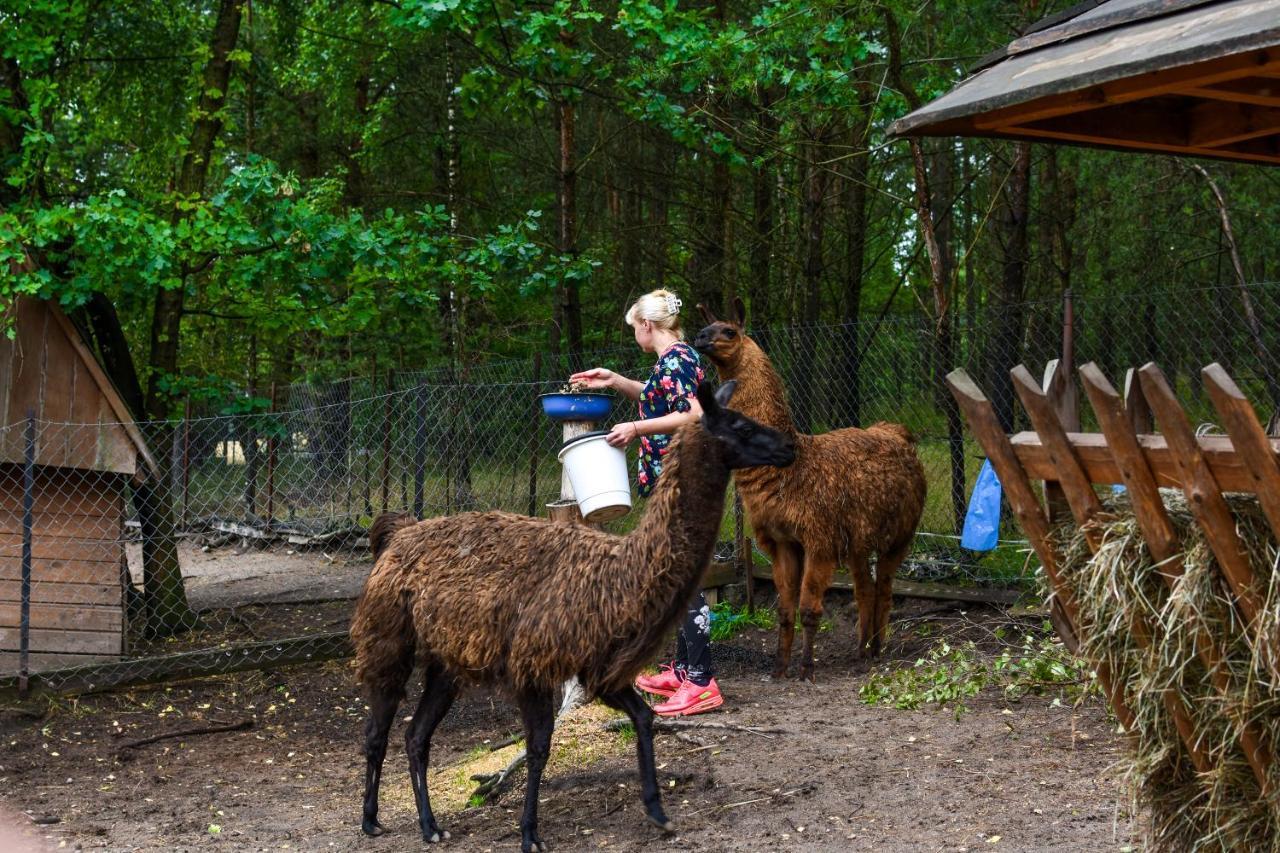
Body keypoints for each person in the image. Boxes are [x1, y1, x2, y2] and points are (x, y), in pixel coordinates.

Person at [569, 288, 723, 716]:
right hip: (672, 480)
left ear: (647, 326)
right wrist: (616, 382)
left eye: (635, 327)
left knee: (682, 578)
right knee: (673, 576)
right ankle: (683, 669)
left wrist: (636, 429)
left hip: (682, 480)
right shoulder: (678, 358)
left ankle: (702, 681)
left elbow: (692, 413)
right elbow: (662, 400)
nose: (635, 332)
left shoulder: (675, 360)